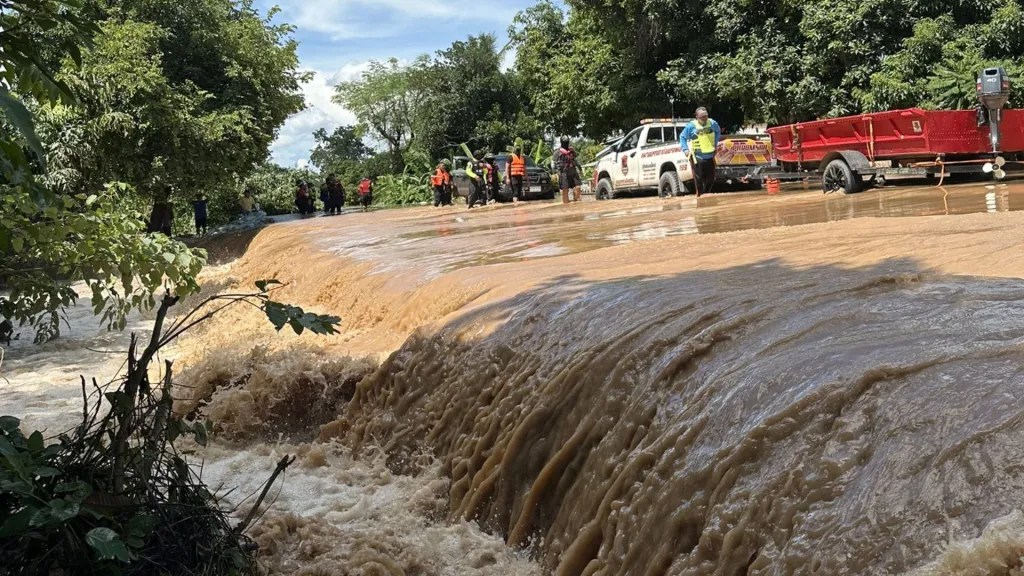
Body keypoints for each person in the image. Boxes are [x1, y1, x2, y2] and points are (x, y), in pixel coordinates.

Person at [680, 106, 721, 197]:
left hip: (710, 157)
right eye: (702, 117)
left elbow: (718, 132)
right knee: (699, 182)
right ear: (697, 117)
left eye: (706, 116)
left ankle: (706, 197)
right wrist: (685, 149)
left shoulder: (713, 123)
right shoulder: (691, 126)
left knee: (710, 180)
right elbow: (682, 137)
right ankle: (700, 198)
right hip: (696, 158)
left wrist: (715, 144)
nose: (705, 118)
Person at [555, 137, 583, 204]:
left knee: (578, 187)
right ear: (561, 143)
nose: (566, 144)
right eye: (565, 142)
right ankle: (566, 205)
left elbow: (576, 160)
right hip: (564, 173)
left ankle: (577, 205)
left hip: (573, 172)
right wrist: (555, 172)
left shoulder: (572, 151)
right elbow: (553, 163)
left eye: (567, 142)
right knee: (565, 190)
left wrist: (580, 169)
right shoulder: (557, 152)